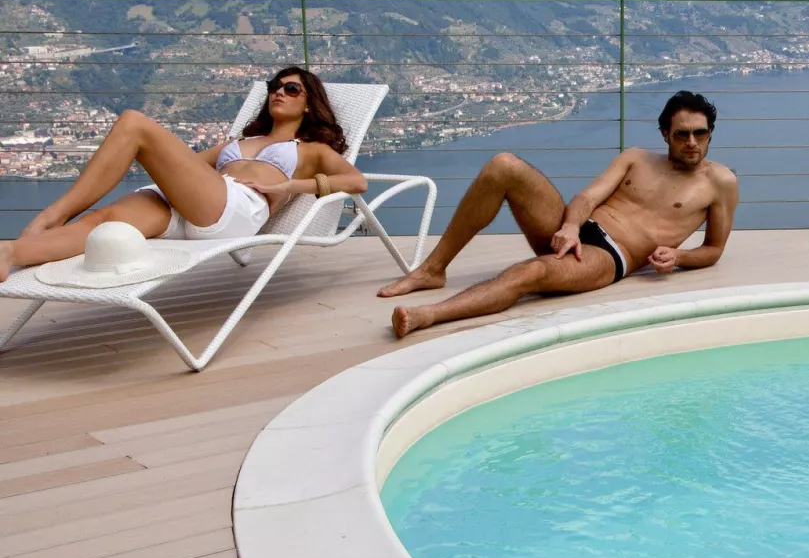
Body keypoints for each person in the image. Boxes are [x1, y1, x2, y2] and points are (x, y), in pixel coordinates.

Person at [381, 89, 738, 338]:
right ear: (665, 134)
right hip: (575, 227)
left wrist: (678, 256)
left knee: (532, 271)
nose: (692, 143)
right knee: (504, 165)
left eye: (700, 134)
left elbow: (714, 249)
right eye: (682, 134)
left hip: (610, 256)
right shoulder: (636, 158)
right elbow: (588, 196)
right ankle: (432, 270)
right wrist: (569, 225)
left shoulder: (720, 182)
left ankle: (429, 316)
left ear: (710, 134)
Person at [0, 66, 367, 283]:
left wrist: (290, 185)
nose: (278, 93)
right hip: (198, 203)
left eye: (291, 89)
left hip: (236, 209)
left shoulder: (311, 150)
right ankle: (11, 252)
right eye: (274, 87)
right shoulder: (240, 141)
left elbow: (356, 182)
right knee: (105, 224)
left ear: (308, 102)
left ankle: (52, 215)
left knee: (134, 123)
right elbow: (184, 165)